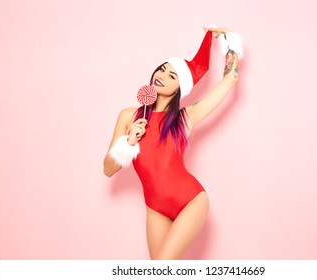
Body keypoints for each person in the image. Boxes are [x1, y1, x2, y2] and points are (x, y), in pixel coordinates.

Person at [103, 26, 241, 260]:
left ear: (180, 87)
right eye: (162, 69)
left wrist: (230, 44)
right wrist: (128, 142)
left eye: (172, 75)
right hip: (155, 207)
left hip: (191, 201)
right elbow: (108, 170)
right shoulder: (128, 116)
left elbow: (231, 79)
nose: (162, 75)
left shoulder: (184, 117)